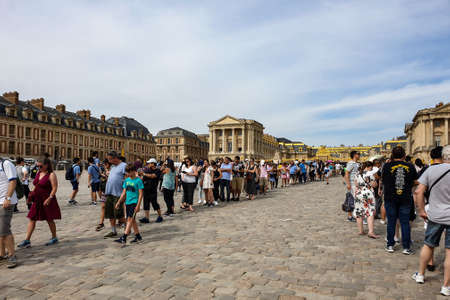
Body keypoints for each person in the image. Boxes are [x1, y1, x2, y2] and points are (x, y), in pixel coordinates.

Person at [412, 145, 450, 296]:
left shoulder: (431, 170)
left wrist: (421, 210)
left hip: (435, 214)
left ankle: (421, 275)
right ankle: (446, 286)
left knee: (428, 245)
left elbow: (419, 191)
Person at [18, 158, 61, 248]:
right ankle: (27, 240)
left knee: (49, 219)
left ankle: (54, 237)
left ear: (47, 165)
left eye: (40, 166)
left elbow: (54, 188)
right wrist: (30, 197)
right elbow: (36, 186)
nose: (38, 167)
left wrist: (50, 198)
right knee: (32, 218)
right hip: (37, 199)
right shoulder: (38, 173)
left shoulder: (51, 174)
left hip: (47, 199)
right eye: (37, 166)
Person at [381, 146, 417, 254]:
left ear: (392, 155)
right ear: (404, 155)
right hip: (405, 198)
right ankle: (406, 247)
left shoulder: (386, 166)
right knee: (405, 223)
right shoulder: (410, 166)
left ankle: (390, 245)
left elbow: (380, 178)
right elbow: (416, 181)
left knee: (391, 222)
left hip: (390, 198)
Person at [114, 164, 144, 245]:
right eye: (127, 172)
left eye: (129, 172)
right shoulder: (127, 181)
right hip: (127, 202)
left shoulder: (138, 181)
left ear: (134, 171)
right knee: (132, 220)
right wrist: (119, 202)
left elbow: (141, 194)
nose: (128, 174)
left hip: (134, 202)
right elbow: (124, 192)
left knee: (129, 219)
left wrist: (138, 205)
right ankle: (138, 236)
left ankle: (124, 237)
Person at [103, 151, 127, 239]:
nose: (108, 161)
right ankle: (113, 231)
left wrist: (125, 194)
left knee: (119, 214)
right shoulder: (113, 167)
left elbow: (127, 179)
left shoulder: (124, 166)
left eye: (110, 159)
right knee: (110, 214)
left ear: (115, 158)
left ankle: (127, 229)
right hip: (109, 193)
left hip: (118, 194)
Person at [0, 158, 18, 268]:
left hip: (6, 201)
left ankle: (12, 255)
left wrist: (8, 197)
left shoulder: (6, 164)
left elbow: (13, 181)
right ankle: (1, 254)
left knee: (4, 230)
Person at [353, 162, 379, 238]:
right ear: (368, 167)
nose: (372, 169)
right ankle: (370, 232)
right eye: (371, 167)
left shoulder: (357, 174)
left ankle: (361, 231)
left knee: (359, 212)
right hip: (368, 194)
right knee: (370, 212)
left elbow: (356, 184)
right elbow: (374, 185)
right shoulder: (370, 174)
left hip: (358, 194)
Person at [139, 158, 163, 224]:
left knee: (154, 203)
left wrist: (144, 174)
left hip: (153, 190)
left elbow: (153, 176)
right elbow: (142, 179)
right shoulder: (147, 170)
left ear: (153, 164)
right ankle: (147, 218)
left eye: (149, 163)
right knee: (146, 204)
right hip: (146, 189)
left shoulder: (157, 170)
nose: (148, 164)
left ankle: (160, 216)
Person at [345, 151, 360, 222]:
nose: (359, 155)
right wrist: (348, 184)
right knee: (351, 199)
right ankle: (351, 216)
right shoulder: (351, 163)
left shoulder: (357, 164)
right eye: (358, 154)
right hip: (352, 184)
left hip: (356, 184)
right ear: (354, 155)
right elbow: (347, 173)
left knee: (354, 199)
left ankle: (352, 215)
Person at [96, 159, 110, 231]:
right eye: (104, 165)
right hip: (105, 191)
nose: (104, 166)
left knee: (114, 209)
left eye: (105, 164)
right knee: (103, 206)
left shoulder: (112, 171)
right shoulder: (105, 171)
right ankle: (101, 223)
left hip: (112, 192)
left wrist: (107, 175)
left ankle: (122, 221)